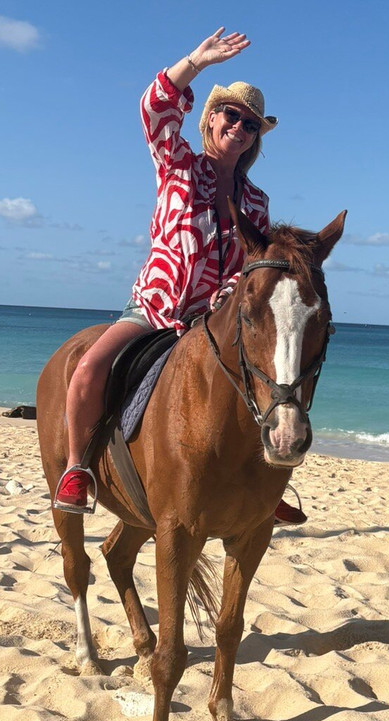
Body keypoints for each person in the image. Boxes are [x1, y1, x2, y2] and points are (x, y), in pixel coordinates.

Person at [53, 27, 306, 526]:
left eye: (251, 124)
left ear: (256, 137)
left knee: (276, 383)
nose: (240, 126)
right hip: (156, 309)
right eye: (231, 115)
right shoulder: (177, 165)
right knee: (87, 370)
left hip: (214, 320)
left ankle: (259, 486)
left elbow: (249, 269)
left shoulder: (256, 201)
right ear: (210, 120)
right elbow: (154, 108)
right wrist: (197, 61)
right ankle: (77, 469)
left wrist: (231, 294)